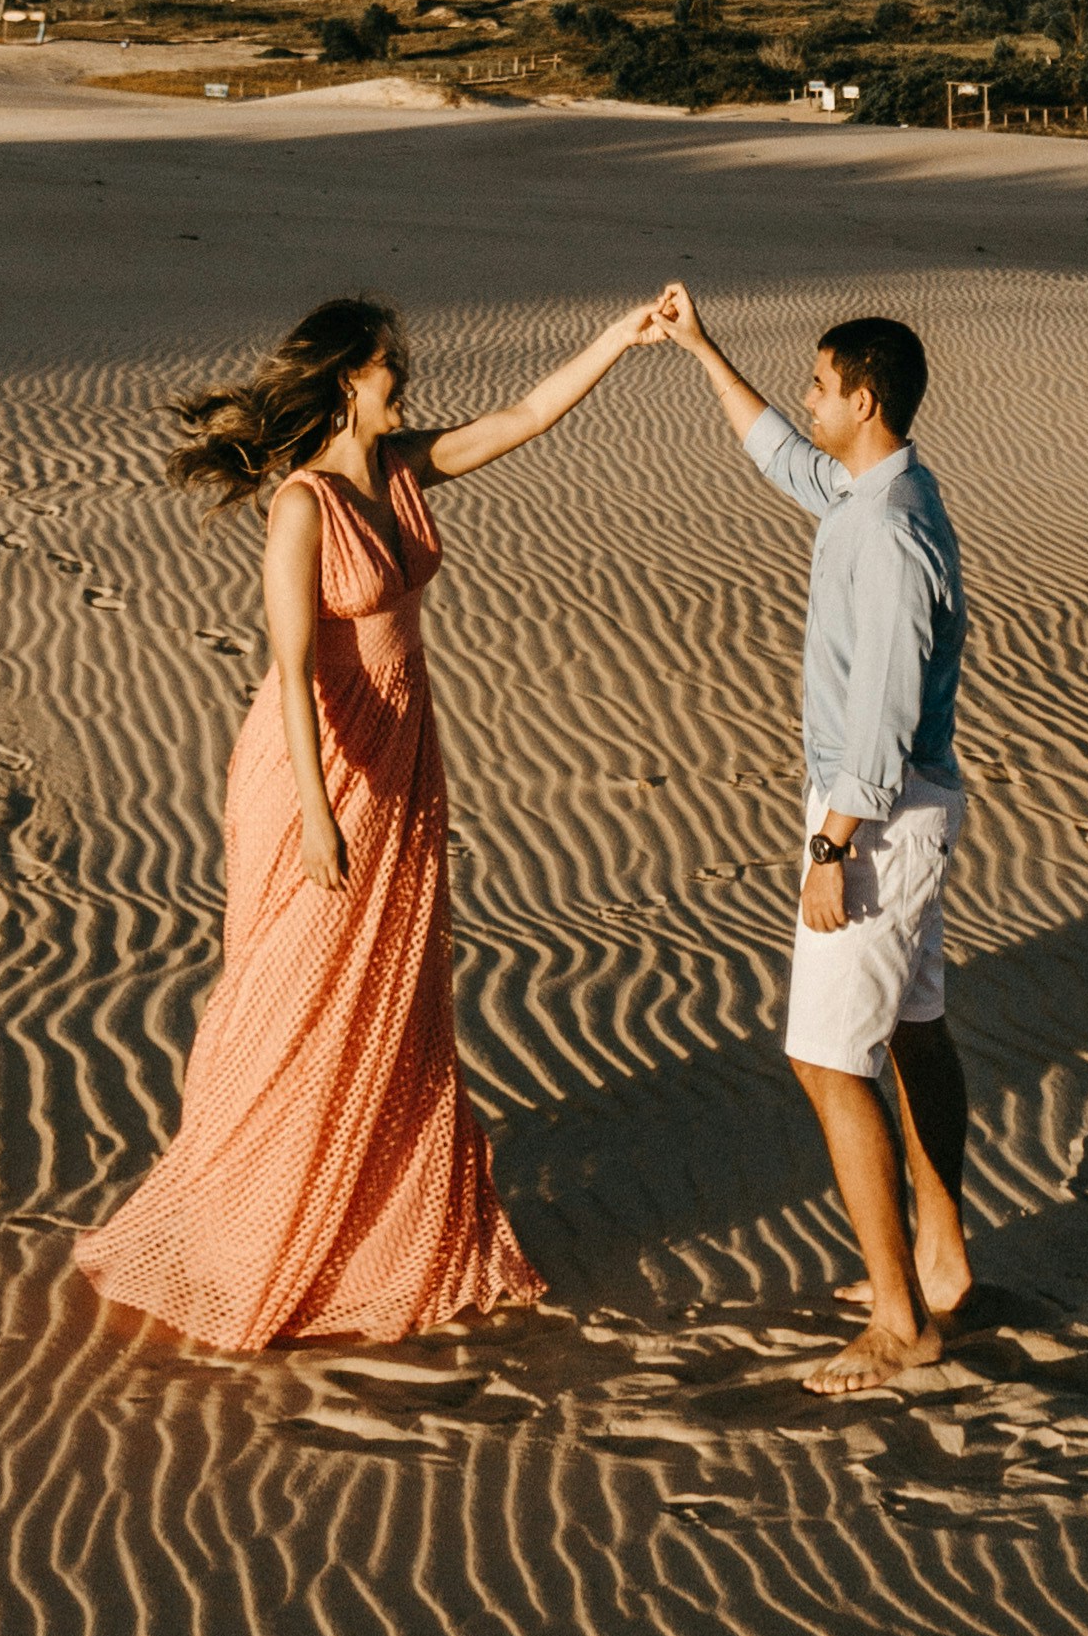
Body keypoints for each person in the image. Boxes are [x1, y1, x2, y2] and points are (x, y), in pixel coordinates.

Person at [72, 289, 660, 1353]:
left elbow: (524, 418)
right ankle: (245, 1233)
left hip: (402, 754)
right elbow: (291, 670)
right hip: (318, 767)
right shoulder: (302, 506)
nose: (407, 379)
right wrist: (314, 814)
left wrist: (620, 338)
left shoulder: (398, 469)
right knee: (294, 990)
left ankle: (370, 1236)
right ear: (350, 379)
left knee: (390, 993)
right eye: (391, 365)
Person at [649, 289, 970, 1392]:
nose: (808, 399)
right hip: (897, 808)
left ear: (863, 398)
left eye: (821, 386)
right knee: (913, 1028)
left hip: (870, 818)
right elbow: (786, 460)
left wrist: (830, 849)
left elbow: (878, 712)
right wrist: (700, 351)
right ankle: (938, 1254)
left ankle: (899, 1321)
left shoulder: (884, 533)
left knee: (827, 1059)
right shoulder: (879, 489)